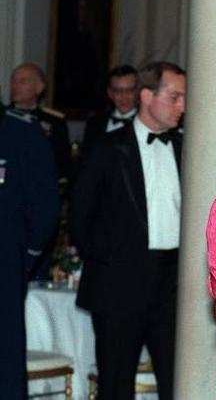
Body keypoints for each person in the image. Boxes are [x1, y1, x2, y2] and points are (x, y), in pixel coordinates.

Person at [70, 61, 186, 400]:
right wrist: (113, 261)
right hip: (119, 285)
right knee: (116, 386)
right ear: (148, 96)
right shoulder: (106, 148)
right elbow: (80, 214)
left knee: (176, 384)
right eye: (175, 97)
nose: (182, 106)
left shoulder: (185, 147)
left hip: (172, 287)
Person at [0, 102, 60, 400]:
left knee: (5, 359)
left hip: (5, 266)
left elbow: (46, 204)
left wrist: (28, 257)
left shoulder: (19, 132)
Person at [10, 63, 72, 183]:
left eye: (22, 81)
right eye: (13, 81)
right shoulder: (3, 117)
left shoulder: (54, 121)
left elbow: (62, 162)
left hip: (40, 187)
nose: (15, 86)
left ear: (39, 88)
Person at [82, 65, 138, 156]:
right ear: (110, 93)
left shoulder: (147, 123)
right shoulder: (94, 123)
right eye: (118, 91)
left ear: (138, 91)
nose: (124, 97)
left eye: (130, 90)